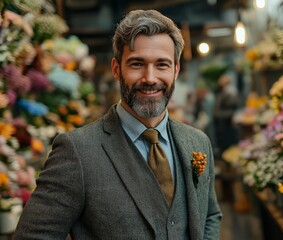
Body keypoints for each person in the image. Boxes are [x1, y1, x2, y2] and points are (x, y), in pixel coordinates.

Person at [13, 9, 222, 240]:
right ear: (116, 69)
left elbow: (210, 215)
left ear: (176, 70)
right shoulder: (78, 152)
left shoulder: (198, 142)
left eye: (162, 64)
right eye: (136, 64)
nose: (150, 78)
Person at [213, 74, 240, 155]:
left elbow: (232, 107)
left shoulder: (229, 91)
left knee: (228, 145)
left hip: (226, 123)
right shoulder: (222, 91)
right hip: (222, 123)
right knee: (224, 145)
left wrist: (221, 114)